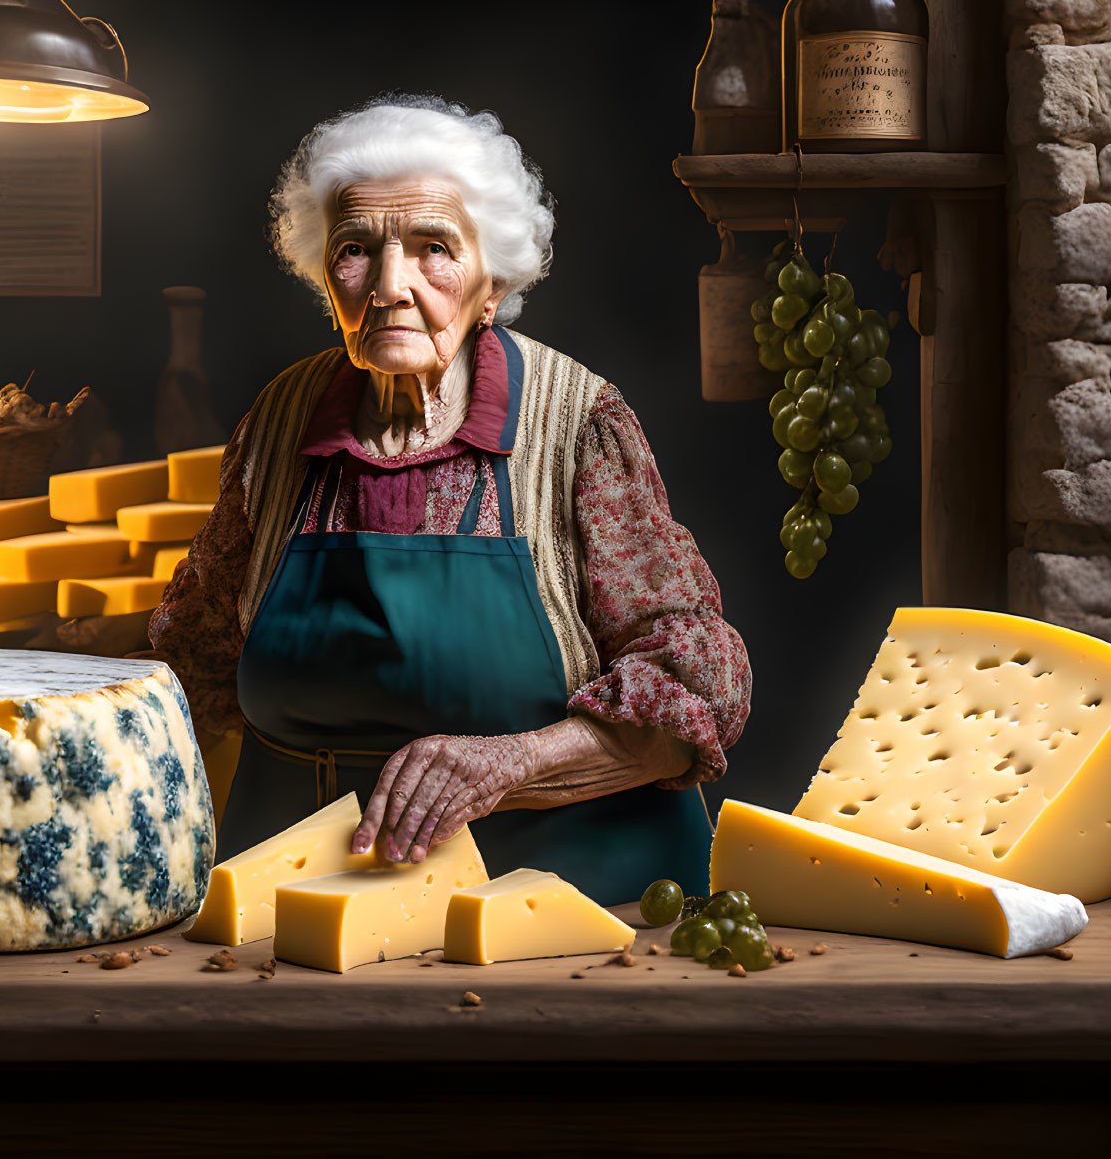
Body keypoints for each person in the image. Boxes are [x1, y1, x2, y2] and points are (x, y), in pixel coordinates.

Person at [148, 94, 751, 903]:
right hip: (303, 902)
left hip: (568, 900)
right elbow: (194, 659)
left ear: (491, 282)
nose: (390, 286)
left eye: (433, 248)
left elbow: (693, 697)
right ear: (325, 273)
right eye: (356, 248)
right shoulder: (278, 425)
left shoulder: (575, 423)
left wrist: (510, 764)